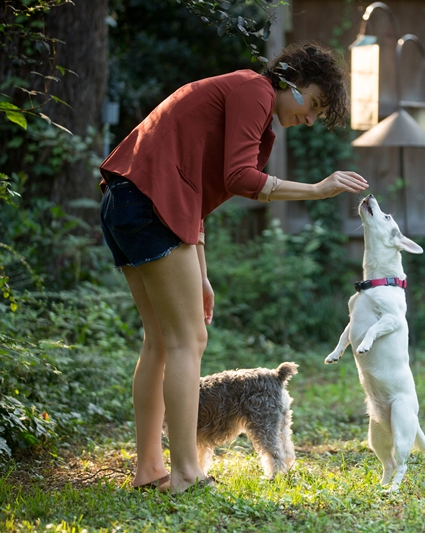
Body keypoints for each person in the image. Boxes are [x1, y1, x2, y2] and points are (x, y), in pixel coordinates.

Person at [98, 41, 368, 493]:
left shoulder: (253, 107)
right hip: (148, 201)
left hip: (126, 199)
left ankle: (149, 469)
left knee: (161, 342)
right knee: (189, 340)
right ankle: (185, 471)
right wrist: (317, 189)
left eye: (319, 114)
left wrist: (200, 271)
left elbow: (200, 197)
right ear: (289, 80)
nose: (311, 118)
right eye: (313, 104)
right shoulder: (255, 89)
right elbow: (239, 178)